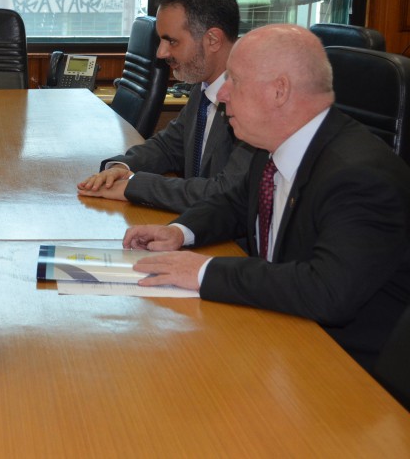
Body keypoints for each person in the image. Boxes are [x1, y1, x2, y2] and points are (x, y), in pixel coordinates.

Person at [124, 24, 410, 370]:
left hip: (345, 372)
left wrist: (205, 271)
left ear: (279, 91)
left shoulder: (361, 177)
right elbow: (236, 201)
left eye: (235, 81)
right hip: (279, 330)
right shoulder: (274, 143)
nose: (223, 93)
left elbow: (327, 291)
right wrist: (180, 232)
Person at [77, 0, 253, 212]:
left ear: (212, 40)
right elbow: (169, 146)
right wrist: (122, 167)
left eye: (172, 41)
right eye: (161, 40)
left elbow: (222, 192)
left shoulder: (253, 104)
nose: (161, 53)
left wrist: (134, 185)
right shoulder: (203, 88)